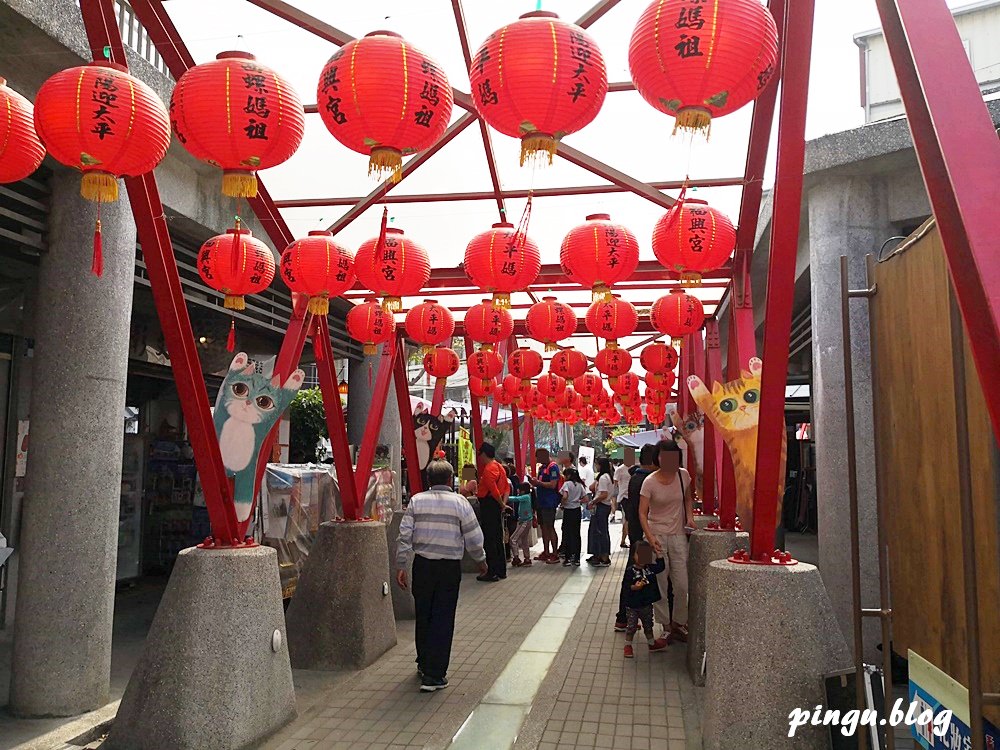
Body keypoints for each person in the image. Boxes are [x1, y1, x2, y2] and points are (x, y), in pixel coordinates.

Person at [396, 459, 488, 692]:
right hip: (448, 568)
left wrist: (400, 566)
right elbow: (474, 536)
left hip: (423, 566)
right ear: (450, 480)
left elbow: (404, 535)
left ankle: (423, 662)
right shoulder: (460, 503)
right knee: (443, 618)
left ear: (429, 480)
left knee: (424, 615)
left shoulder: (417, 500)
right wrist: (481, 560)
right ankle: (434, 675)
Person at [638, 439, 695, 642]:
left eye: (672, 456)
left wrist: (690, 518)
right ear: (657, 457)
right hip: (656, 536)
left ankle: (680, 622)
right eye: (663, 455)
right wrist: (651, 538)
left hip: (678, 536)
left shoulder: (683, 475)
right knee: (660, 584)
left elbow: (688, 499)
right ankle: (665, 626)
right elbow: (642, 514)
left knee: (682, 585)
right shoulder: (649, 481)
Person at [614, 444, 658, 631]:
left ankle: (625, 617)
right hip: (643, 538)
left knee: (633, 575)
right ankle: (629, 617)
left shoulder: (635, 476)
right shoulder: (646, 480)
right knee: (639, 577)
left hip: (636, 535)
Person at [622, 540, 670, 657]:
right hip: (633, 605)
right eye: (639, 554)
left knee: (648, 625)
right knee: (631, 626)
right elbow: (625, 586)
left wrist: (659, 555)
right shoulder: (630, 571)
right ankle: (628, 645)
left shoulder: (650, 568)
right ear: (633, 555)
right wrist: (635, 587)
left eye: (645, 554)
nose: (642, 557)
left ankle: (651, 643)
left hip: (646, 604)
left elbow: (661, 567)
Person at [475, 442, 510, 582]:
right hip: (496, 503)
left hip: (489, 504)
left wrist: (501, 503)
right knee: (497, 538)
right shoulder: (500, 467)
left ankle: (492, 571)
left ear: (484, 454)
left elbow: (492, 488)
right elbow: (506, 487)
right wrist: (503, 504)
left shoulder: (489, 469)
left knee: (489, 539)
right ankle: (501, 570)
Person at [529, 448, 562, 564]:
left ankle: (555, 553)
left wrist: (539, 483)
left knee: (550, 526)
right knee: (543, 527)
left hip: (550, 502)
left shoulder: (553, 467)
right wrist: (534, 483)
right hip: (541, 502)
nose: (537, 459)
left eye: (538, 457)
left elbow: (553, 485)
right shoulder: (542, 468)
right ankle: (546, 552)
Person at [586, 456, 614, 566]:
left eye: (597, 464)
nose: (595, 466)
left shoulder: (603, 478)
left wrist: (593, 502)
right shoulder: (607, 477)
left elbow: (603, 494)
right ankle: (599, 555)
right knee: (601, 531)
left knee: (600, 532)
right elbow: (592, 487)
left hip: (601, 506)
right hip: (605, 506)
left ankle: (603, 556)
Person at [558, 468, 586, 566]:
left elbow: (565, 496)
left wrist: (562, 504)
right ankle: (577, 558)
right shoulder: (580, 485)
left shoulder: (567, 484)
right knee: (576, 534)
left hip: (568, 511)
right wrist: (577, 501)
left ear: (568, 475)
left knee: (567, 533)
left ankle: (568, 558)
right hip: (577, 511)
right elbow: (585, 499)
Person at [508, 482, 535, 567]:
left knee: (513, 539)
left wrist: (504, 497)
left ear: (523, 490)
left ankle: (516, 558)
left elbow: (516, 498)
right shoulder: (528, 496)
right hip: (525, 521)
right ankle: (527, 558)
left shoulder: (526, 497)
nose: (518, 490)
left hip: (525, 522)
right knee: (524, 540)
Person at [613, 458, 632, 543]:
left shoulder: (634, 468)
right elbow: (615, 483)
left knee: (627, 519)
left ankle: (623, 540)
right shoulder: (620, 469)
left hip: (632, 496)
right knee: (627, 519)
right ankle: (625, 540)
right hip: (624, 496)